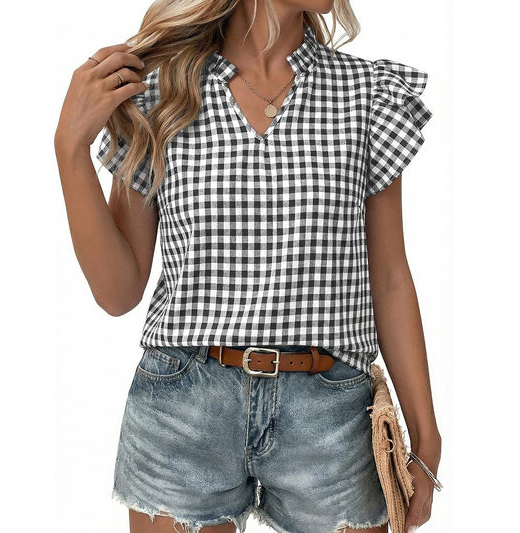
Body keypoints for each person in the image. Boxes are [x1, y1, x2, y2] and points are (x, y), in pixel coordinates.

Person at [54, 1, 442, 532]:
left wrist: (426, 433)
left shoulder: (367, 95)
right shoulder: (161, 96)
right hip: (184, 406)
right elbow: (117, 292)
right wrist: (70, 151)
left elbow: (390, 277)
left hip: (332, 416)